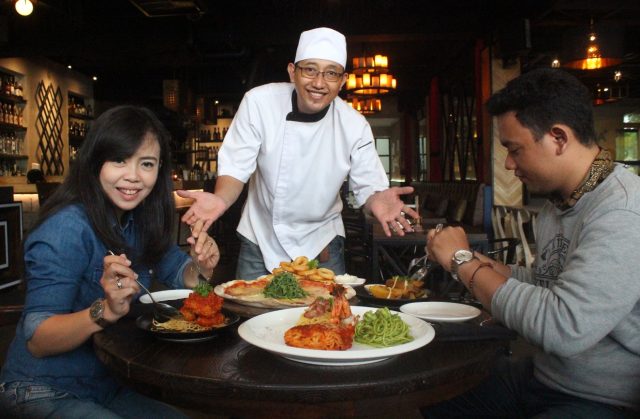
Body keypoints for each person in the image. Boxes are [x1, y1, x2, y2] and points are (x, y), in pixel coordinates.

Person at [422, 68, 640, 418]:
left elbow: (563, 326)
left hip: (600, 398)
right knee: (432, 395)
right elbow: (549, 286)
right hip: (544, 377)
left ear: (558, 138)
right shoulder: (560, 202)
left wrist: (463, 261)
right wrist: (491, 267)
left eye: (514, 149)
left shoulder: (622, 212)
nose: (508, 163)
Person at [0, 105, 220, 418]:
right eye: (119, 159)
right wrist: (105, 310)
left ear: (158, 172)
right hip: (41, 387)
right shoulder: (67, 228)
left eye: (146, 164)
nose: (133, 176)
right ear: (95, 163)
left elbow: (183, 277)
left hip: (108, 382)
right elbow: (37, 339)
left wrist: (202, 264)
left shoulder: (139, 220)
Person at [177, 27, 419, 280]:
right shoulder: (259, 102)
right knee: (249, 313)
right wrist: (221, 199)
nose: (318, 82)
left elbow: (369, 185)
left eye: (331, 73)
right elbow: (237, 168)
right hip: (261, 235)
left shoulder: (354, 124)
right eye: (310, 69)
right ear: (293, 72)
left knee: (327, 316)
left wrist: (375, 199)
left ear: (343, 81)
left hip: (322, 238)